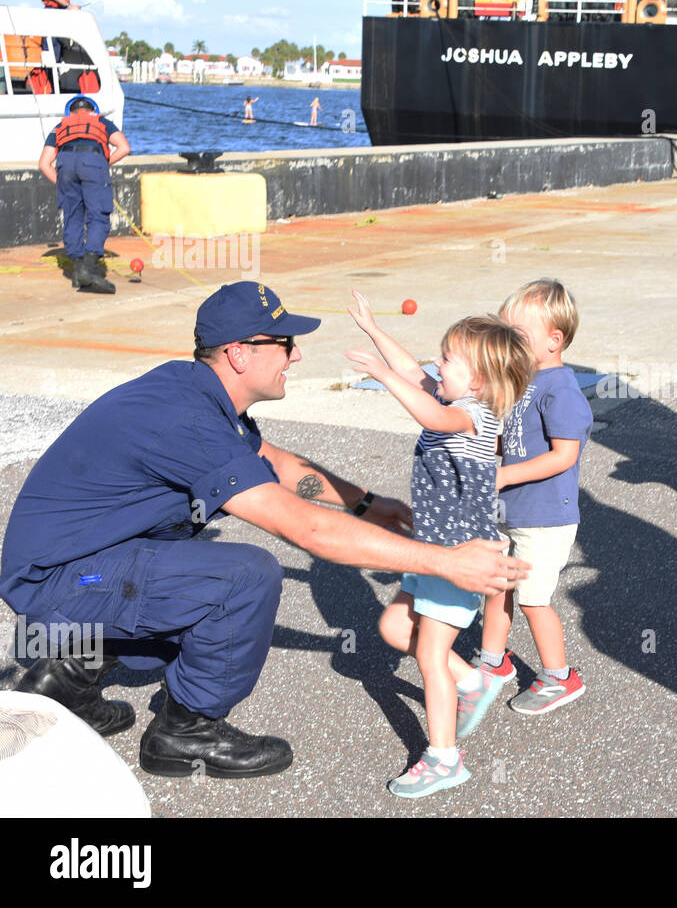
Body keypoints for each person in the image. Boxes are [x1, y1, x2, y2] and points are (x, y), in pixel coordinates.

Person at [1, 282, 528, 780]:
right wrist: (445, 561)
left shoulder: (197, 392)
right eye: (285, 343)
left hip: (73, 561)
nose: (296, 356)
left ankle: (66, 678)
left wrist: (366, 504)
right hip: (58, 579)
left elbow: (276, 464)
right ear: (239, 353)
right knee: (244, 576)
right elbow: (307, 530)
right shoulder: (187, 420)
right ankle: (186, 731)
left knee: (177, 557)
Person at [346, 295, 534, 797]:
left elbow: (431, 414)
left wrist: (382, 378)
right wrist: (373, 330)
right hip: (435, 550)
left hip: (460, 559)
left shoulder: (471, 415)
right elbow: (414, 373)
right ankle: (473, 682)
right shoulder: (457, 399)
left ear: (478, 381)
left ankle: (443, 758)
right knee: (392, 627)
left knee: (431, 657)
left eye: (448, 359)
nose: (436, 363)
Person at [476, 279, 593, 714]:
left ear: (553, 341)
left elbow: (564, 456)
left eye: (518, 337)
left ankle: (559, 678)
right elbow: (513, 439)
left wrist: (504, 475)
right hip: (514, 510)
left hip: (546, 518)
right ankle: (492, 664)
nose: (508, 344)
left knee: (533, 599)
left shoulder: (560, 390)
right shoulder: (522, 382)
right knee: (497, 585)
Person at [37, 96, 131, 295]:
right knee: (98, 216)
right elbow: (124, 147)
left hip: (65, 166)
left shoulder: (60, 127)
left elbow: (44, 163)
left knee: (72, 216)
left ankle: (78, 272)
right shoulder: (102, 122)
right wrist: (103, 164)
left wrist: (62, 183)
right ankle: (89, 268)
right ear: (93, 110)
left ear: (69, 113)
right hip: (93, 161)